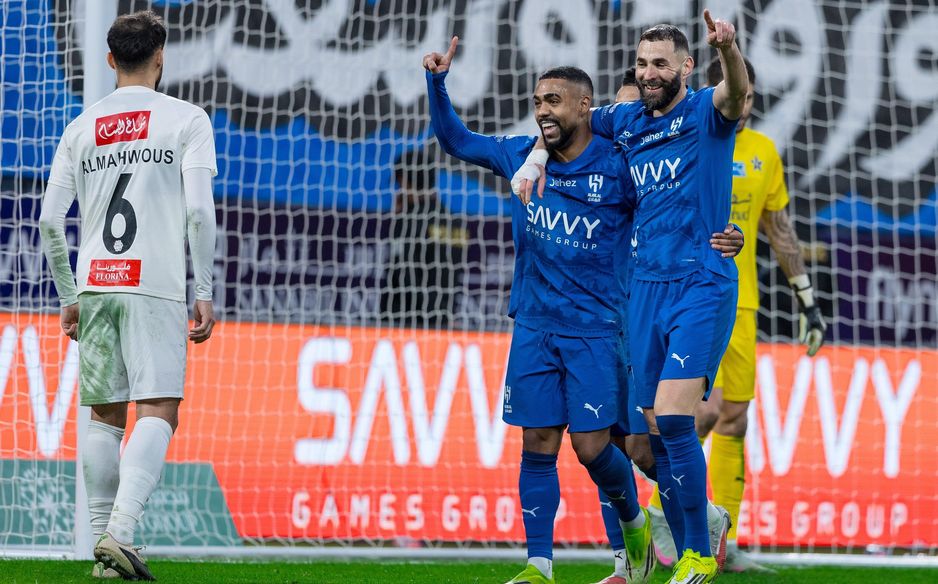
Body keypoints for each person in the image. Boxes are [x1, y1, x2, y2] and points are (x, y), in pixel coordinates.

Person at [513, 11, 749, 583]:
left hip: (699, 283)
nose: (648, 73)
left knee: (671, 419)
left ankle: (695, 554)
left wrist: (730, 51)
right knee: (646, 437)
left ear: (686, 67)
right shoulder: (626, 121)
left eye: (660, 63)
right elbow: (566, 121)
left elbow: (737, 94)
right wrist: (535, 157)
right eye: (642, 63)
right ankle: (698, 529)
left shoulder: (704, 111)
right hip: (641, 293)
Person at [424, 38, 656, 584]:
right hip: (533, 324)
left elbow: (673, 202)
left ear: (584, 106)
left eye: (553, 99)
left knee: (596, 447)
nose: (543, 109)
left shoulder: (619, 169)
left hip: (599, 329)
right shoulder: (520, 155)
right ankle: (538, 565)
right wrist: (437, 83)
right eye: (537, 100)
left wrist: (724, 233)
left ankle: (639, 523)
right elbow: (456, 140)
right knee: (538, 443)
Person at [38, 10, 217, 581]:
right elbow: (196, 210)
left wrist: (70, 296)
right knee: (159, 407)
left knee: (105, 416)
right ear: (160, 57)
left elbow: (47, 221)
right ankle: (120, 533)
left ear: (111, 59)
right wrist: (205, 289)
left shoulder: (81, 126)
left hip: (96, 283)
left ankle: (102, 555)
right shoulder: (186, 120)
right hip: (153, 282)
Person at [647, 57, 827, 573]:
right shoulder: (684, 137)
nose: (742, 106)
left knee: (733, 419)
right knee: (692, 415)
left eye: (749, 97)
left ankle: (720, 543)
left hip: (740, 301)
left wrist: (806, 298)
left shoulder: (764, 152)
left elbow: (779, 228)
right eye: (734, 96)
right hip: (683, 296)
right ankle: (667, 515)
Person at [591, 67, 738, 584]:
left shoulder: (672, 165)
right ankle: (697, 527)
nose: (636, 122)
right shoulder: (605, 163)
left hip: (667, 300)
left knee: (662, 428)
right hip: (611, 310)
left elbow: (701, 201)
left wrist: (730, 230)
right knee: (628, 445)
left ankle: (676, 548)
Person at [380, 148, 468, 328]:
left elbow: (402, 272)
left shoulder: (409, 220)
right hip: (443, 319)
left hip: (407, 321)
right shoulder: (454, 220)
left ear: (404, 181)